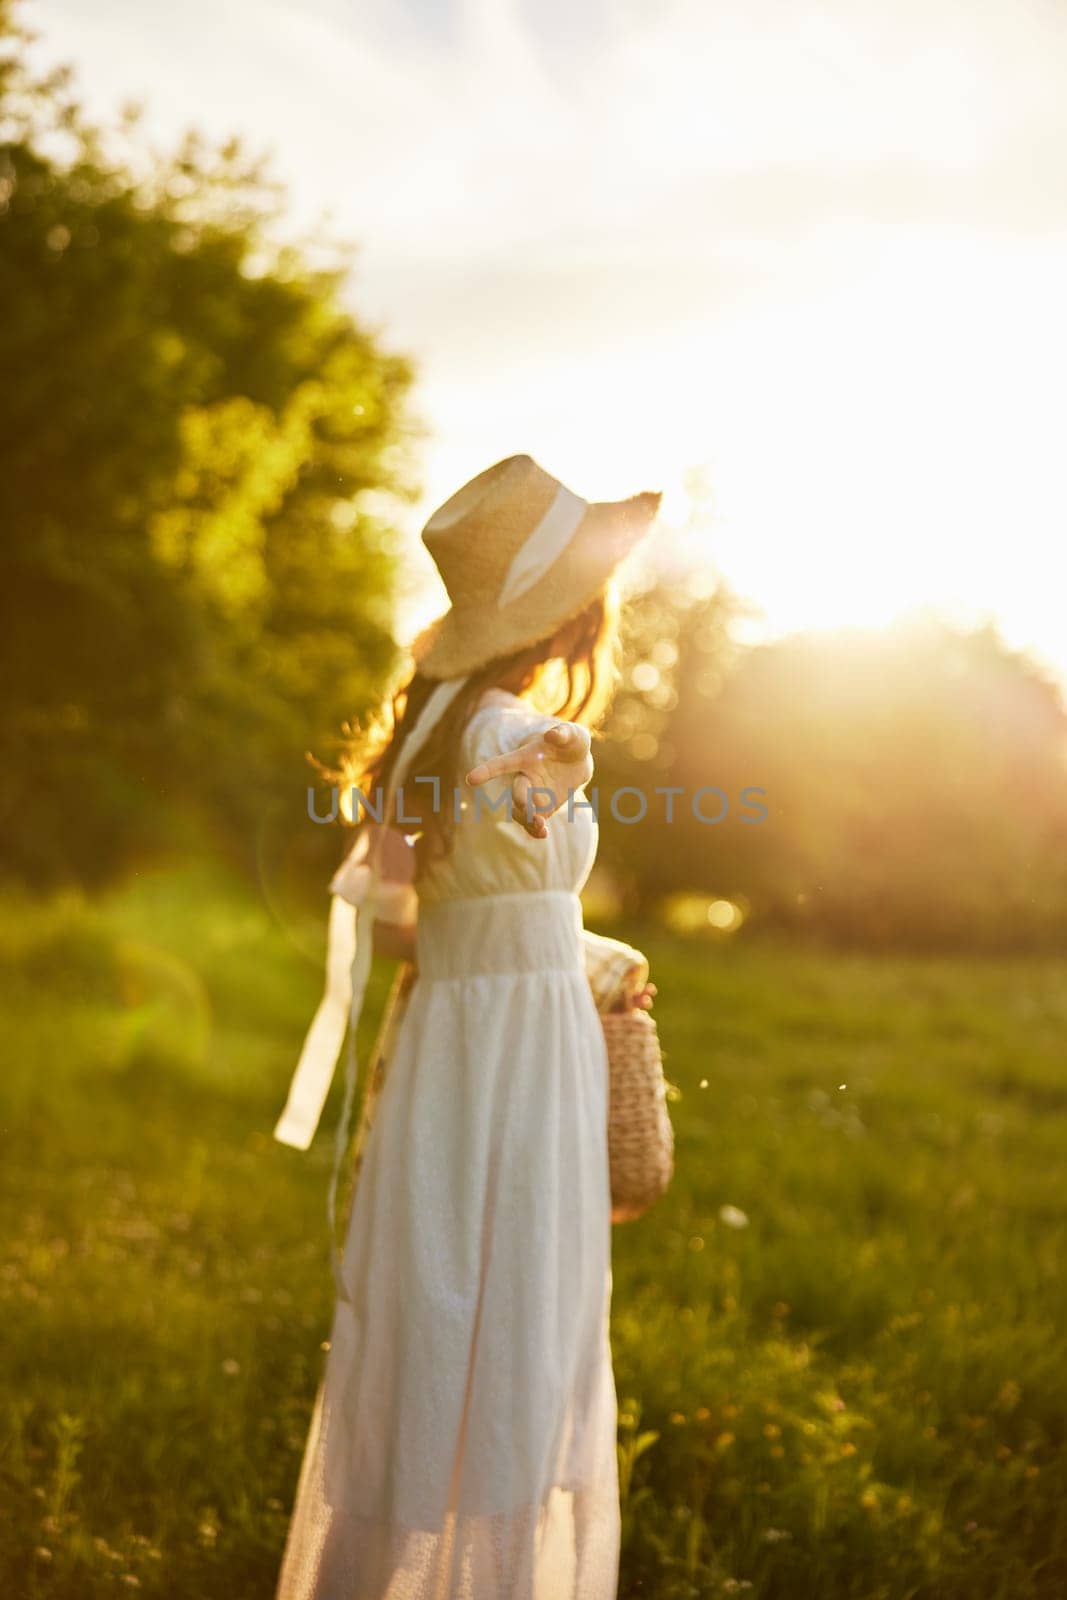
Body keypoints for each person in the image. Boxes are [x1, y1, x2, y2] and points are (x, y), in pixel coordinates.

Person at [273, 453, 661, 1599]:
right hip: (521, 1055)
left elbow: (408, 927)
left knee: (438, 1288)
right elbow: (508, 906)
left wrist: (572, 955)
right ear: (564, 611)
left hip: (450, 1045)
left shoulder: (428, 738)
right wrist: (559, 962)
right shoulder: (523, 743)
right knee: (517, 1308)